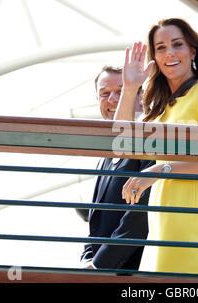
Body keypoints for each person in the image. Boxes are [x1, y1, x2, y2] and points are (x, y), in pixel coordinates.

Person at [114, 18, 198, 274]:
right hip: (158, 217)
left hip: (186, 217)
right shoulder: (161, 107)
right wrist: (131, 88)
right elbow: (120, 142)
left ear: (192, 50)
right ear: (154, 57)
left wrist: (157, 171)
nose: (169, 53)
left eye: (177, 44)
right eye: (161, 47)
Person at [78, 65, 154, 270]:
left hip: (134, 271)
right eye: (104, 93)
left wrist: (100, 265)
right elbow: (96, 222)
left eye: (121, 91)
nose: (112, 99)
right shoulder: (105, 155)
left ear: (141, 96)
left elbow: (139, 218)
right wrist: (86, 261)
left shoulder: (148, 143)